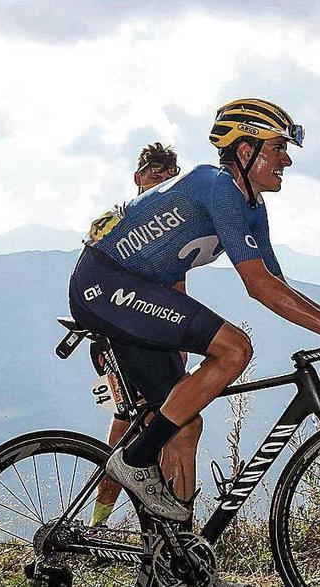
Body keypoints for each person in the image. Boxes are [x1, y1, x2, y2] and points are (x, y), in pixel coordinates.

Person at [69, 98, 320, 528]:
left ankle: (176, 557)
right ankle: (135, 459)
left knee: (184, 426)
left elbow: (280, 288)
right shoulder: (217, 187)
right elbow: (259, 289)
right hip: (103, 285)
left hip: (137, 291)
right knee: (235, 349)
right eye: (278, 147)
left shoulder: (251, 206)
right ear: (246, 151)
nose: (287, 160)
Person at [89, 142, 192, 529]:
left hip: (157, 337)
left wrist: (182, 340)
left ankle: (156, 523)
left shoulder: (172, 229)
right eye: (154, 173)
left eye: (169, 176)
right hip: (117, 337)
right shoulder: (114, 220)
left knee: (155, 421)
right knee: (141, 421)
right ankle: (107, 521)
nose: (162, 181)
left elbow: (177, 289)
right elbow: (93, 277)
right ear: (137, 178)